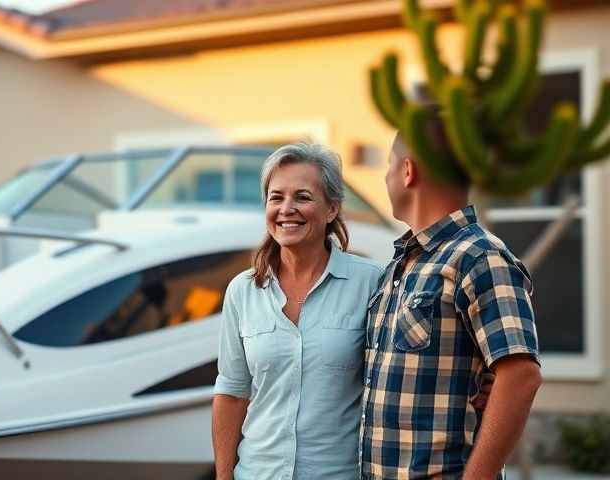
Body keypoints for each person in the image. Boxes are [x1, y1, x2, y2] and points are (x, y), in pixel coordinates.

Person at [360, 114, 542, 479]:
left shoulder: (480, 256)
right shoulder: (399, 266)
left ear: (408, 170)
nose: (386, 177)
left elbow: (520, 376)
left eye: (389, 166)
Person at [211, 143, 383, 479]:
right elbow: (232, 392)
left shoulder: (372, 283)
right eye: (276, 198)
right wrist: (223, 475)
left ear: (332, 209)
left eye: (302, 197)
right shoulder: (242, 291)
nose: (286, 208)